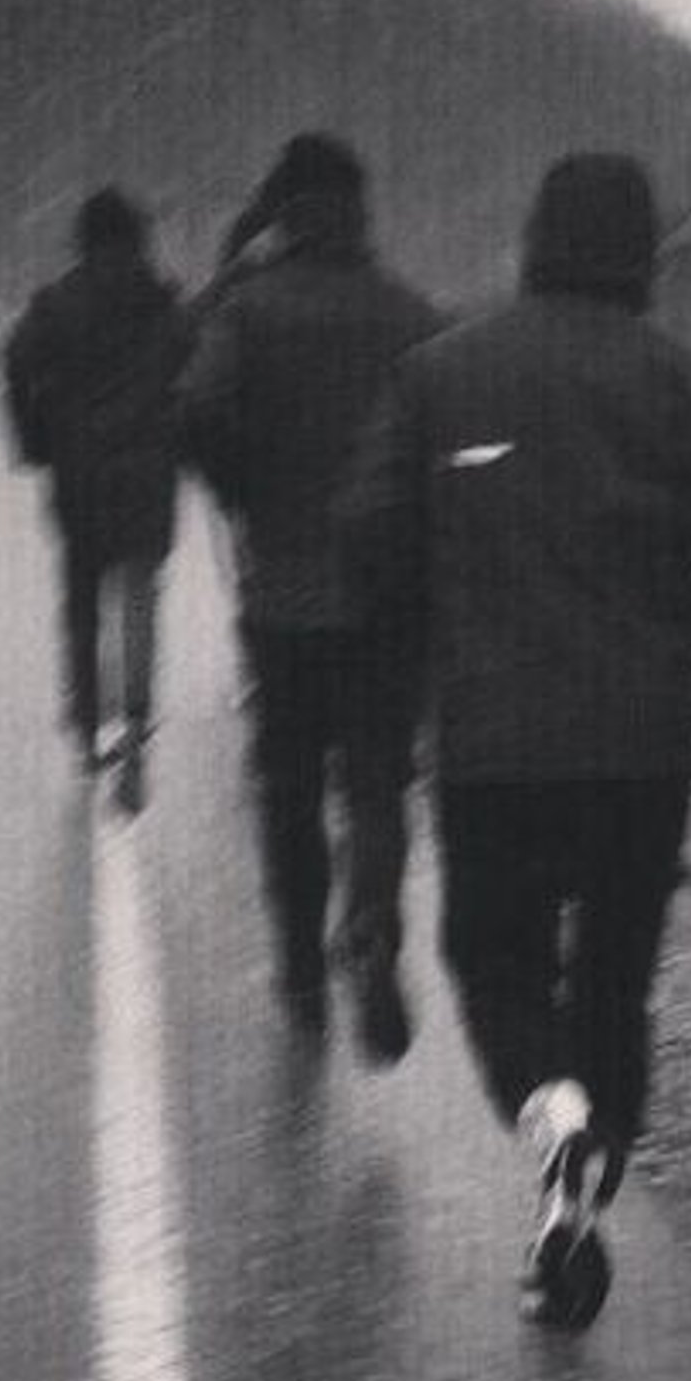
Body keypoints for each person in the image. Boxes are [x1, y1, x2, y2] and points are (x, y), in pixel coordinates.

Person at [340, 152, 691, 1324]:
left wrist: (443, 624)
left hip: (496, 743)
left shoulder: (440, 373)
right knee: (614, 981)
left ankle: (552, 1115)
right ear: (643, 251)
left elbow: (370, 534)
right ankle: (578, 1201)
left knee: (495, 959)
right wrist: (690, 620)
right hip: (644, 751)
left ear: (534, 239)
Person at [180, 134, 443, 1055]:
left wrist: (239, 487)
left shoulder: (247, 309)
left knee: (288, 788)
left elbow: (194, 403)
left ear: (281, 211)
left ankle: (300, 969)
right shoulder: (413, 315)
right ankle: (371, 929)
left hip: (284, 597)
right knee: (377, 784)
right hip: (387, 602)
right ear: (361, 207)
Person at [1, 186, 193, 813]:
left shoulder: (54, 305)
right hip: (148, 477)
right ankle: (135, 725)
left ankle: (88, 727)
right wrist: (182, 440)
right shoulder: (163, 304)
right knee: (140, 601)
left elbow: (15, 365)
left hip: (79, 476)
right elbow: (192, 375)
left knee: (82, 603)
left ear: (82, 239)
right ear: (139, 238)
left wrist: (35, 441)